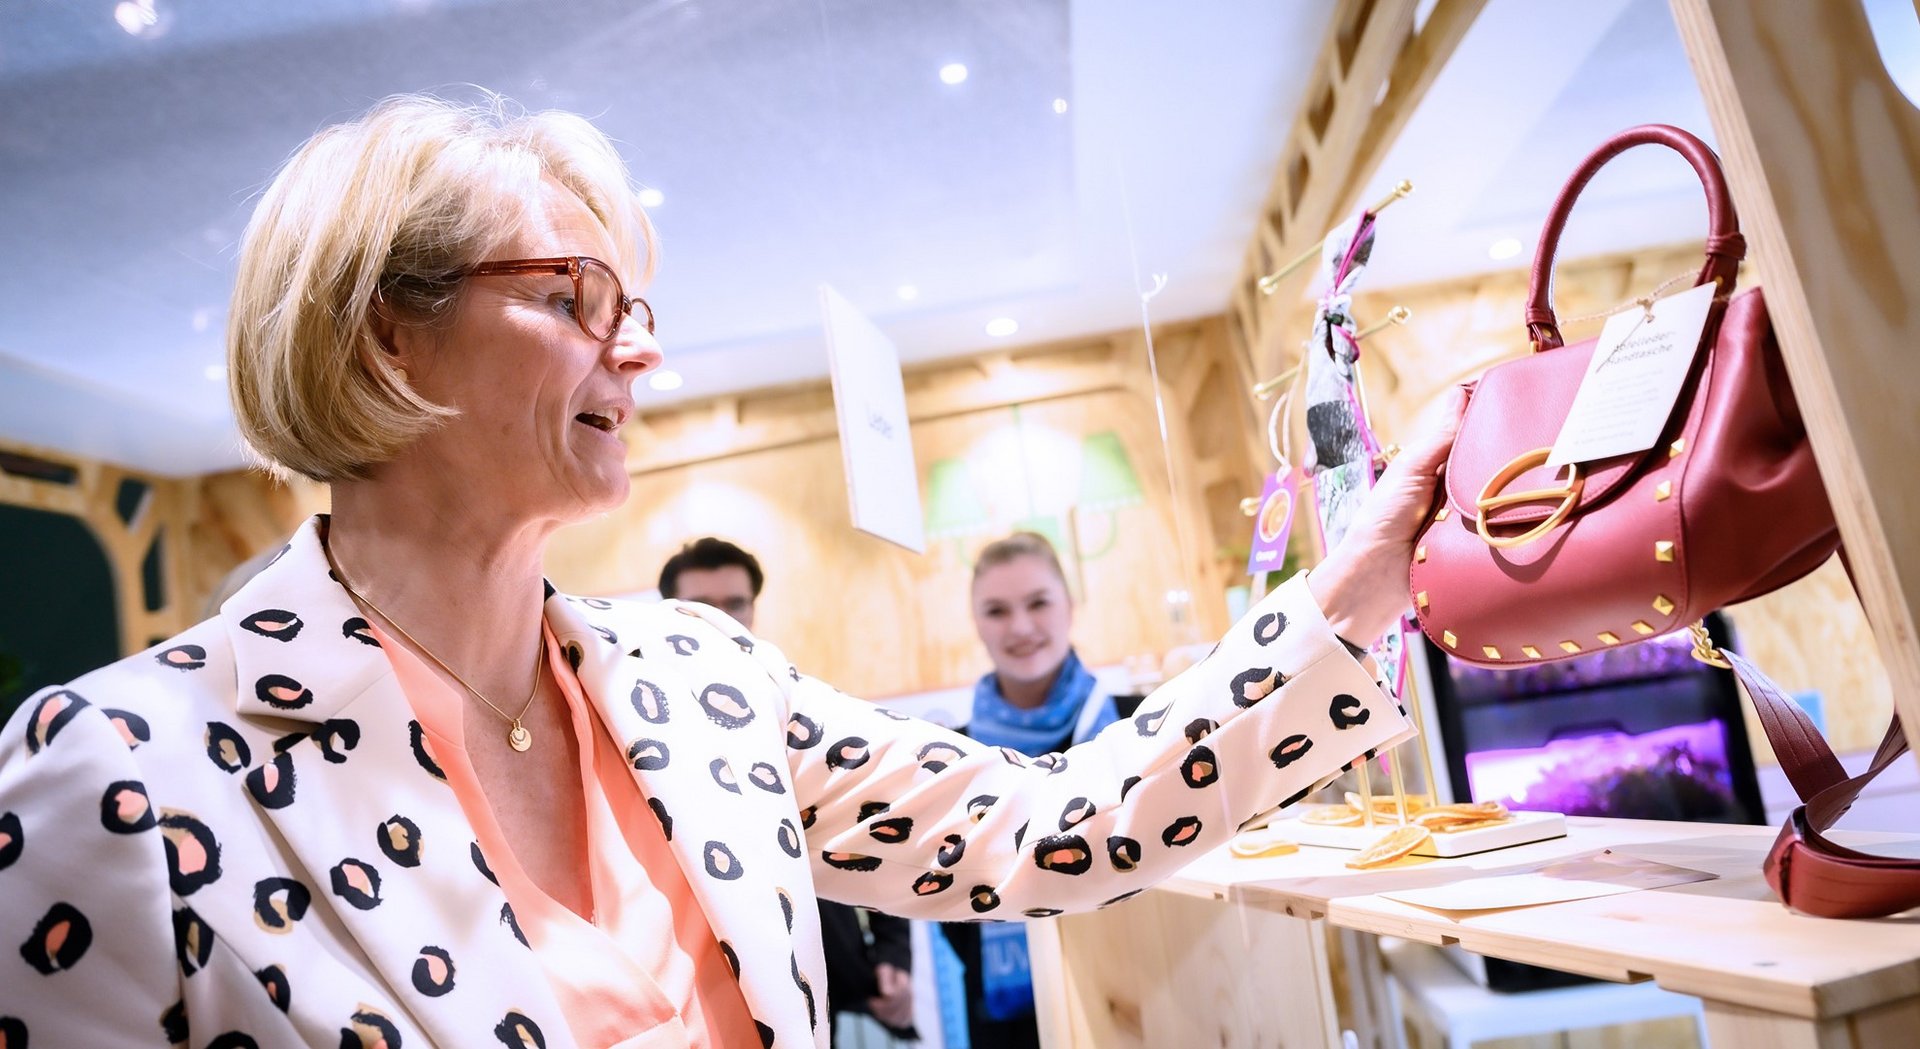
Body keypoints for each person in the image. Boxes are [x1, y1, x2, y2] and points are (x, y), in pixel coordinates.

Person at [0, 93, 1456, 1048]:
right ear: (388, 335)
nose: (639, 350)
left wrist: (1351, 597)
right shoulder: (127, 771)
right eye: (573, 298)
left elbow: (1046, 828)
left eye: (637, 305)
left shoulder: (698, 684)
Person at [659, 537, 916, 1040]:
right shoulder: (645, 723)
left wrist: (892, 953)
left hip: (832, 978)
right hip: (708, 991)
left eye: (735, 604)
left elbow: (869, 825)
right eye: (703, 607)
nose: (723, 620)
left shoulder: (791, 713)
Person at [935, 531, 1120, 1047]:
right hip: (1005, 1018)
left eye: (1038, 602)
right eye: (996, 611)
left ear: (1070, 605)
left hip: (1138, 988)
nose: (1020, 627)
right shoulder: (953, 754)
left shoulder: (1133, 726)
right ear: (977, 624)